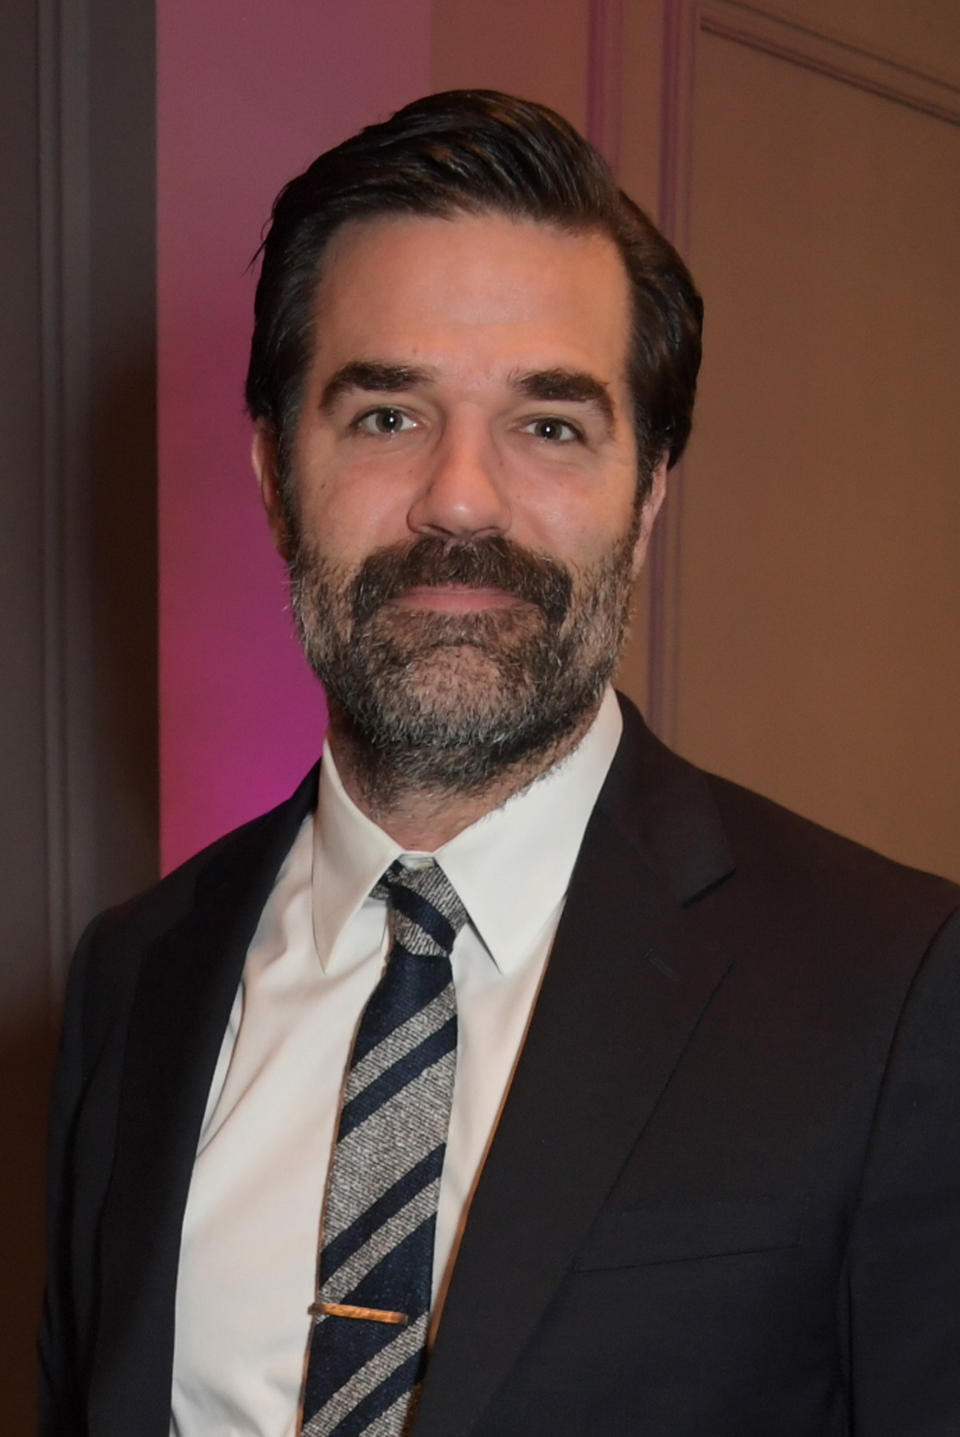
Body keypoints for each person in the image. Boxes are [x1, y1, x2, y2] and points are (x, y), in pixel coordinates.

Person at [40, 90, 960, 1437]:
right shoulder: (133, 977)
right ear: (273, 469)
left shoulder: (899, 993)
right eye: (387, 416)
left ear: (645, 498)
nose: (460, 499)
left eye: (549, 425)